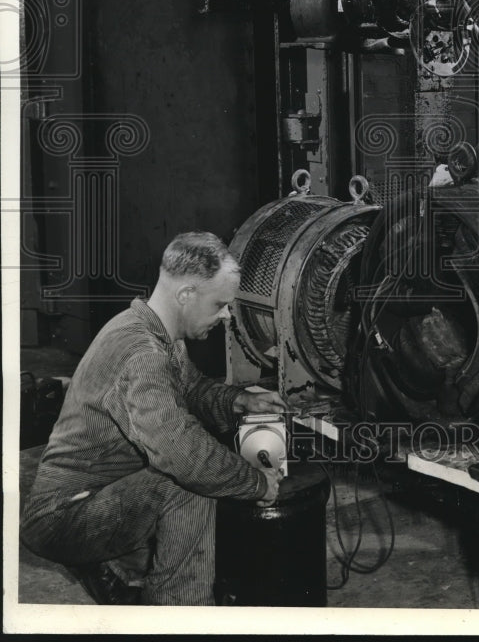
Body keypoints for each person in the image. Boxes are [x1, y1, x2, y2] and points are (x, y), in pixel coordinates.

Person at [21, 231, 286, 606]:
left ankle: (119, 569)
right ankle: (180, 615)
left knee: (195, 468)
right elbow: (182, 455)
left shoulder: (158, 332)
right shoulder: (143, 353)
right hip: (64, 517)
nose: (227, 316)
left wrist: (240, 402)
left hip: (99, 493)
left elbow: (191, 391)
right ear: (185, 295)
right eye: (220, 304)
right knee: (189, 480)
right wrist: (257, 483)